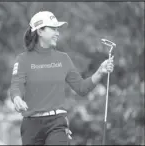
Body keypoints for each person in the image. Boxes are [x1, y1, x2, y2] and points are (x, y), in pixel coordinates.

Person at [9, 11, 114, 145]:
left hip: (56, 123)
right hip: (31, 126)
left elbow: (81, 88)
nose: (57, 33)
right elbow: (16, 85)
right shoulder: (23, 60)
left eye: (57, 29)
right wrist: (17, 98)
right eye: (53, 29)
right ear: (40, 31)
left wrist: (100, 71)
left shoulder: (63, 59)